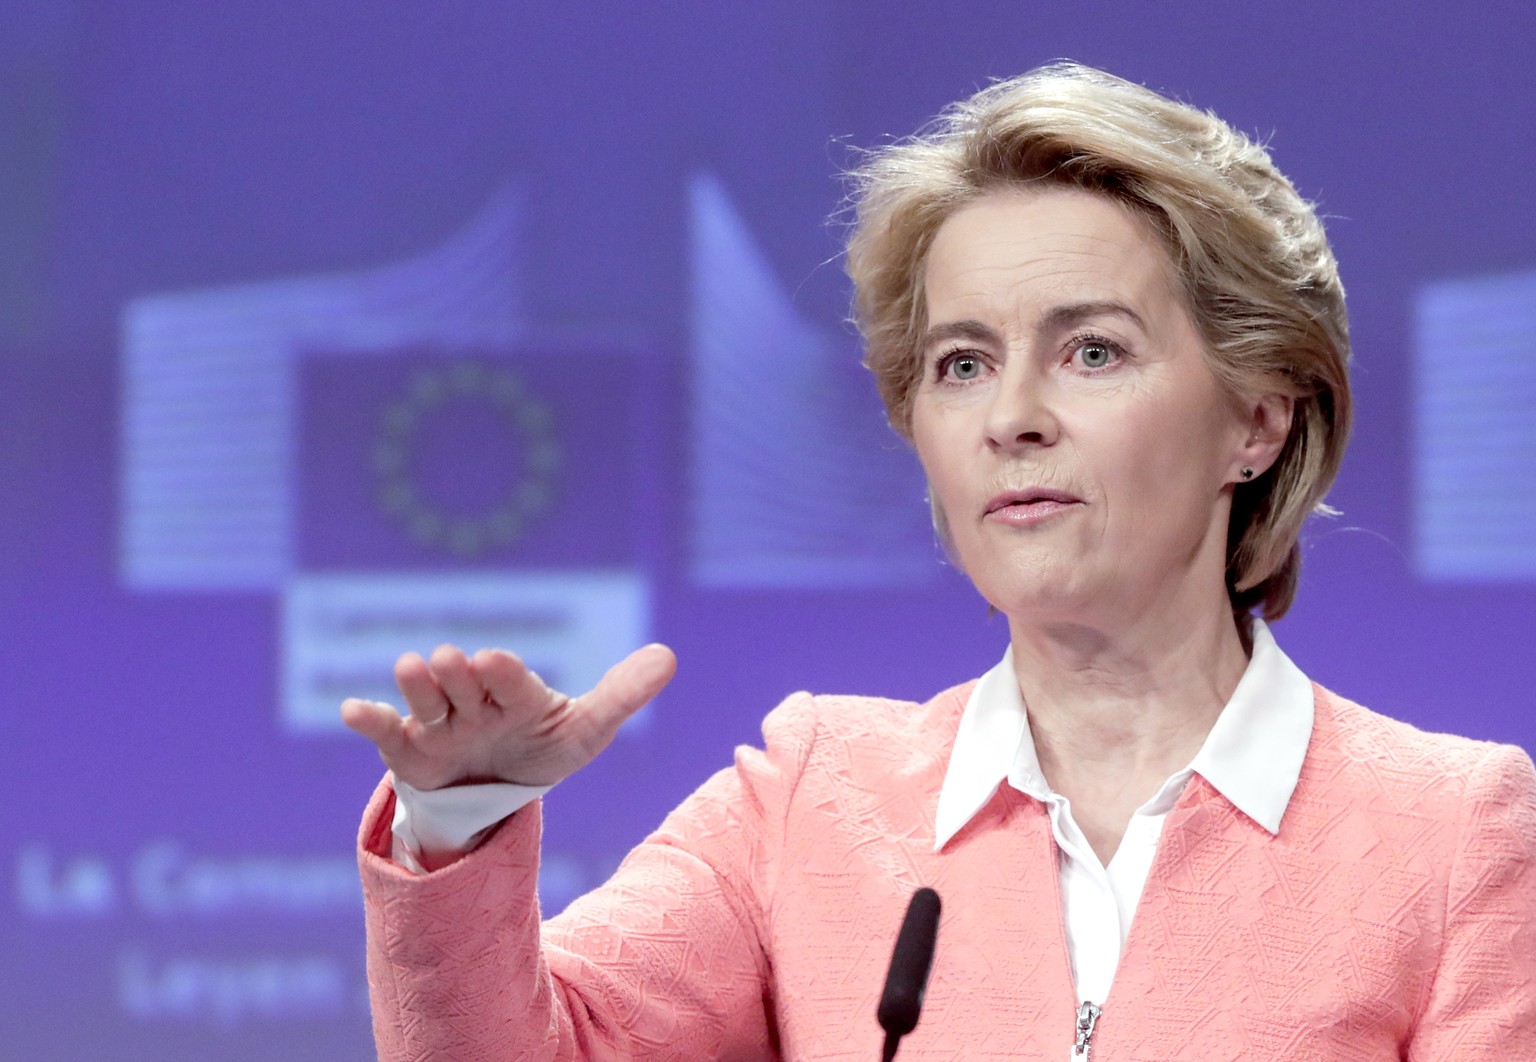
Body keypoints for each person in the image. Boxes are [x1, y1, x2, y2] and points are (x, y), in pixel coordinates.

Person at [343, 62, 1536, 1059]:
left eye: (1093, 353)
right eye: (962, 364)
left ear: (1257, 421)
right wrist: (461, 818)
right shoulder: (817, 797)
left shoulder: (1452, 836)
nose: (1010, 417)